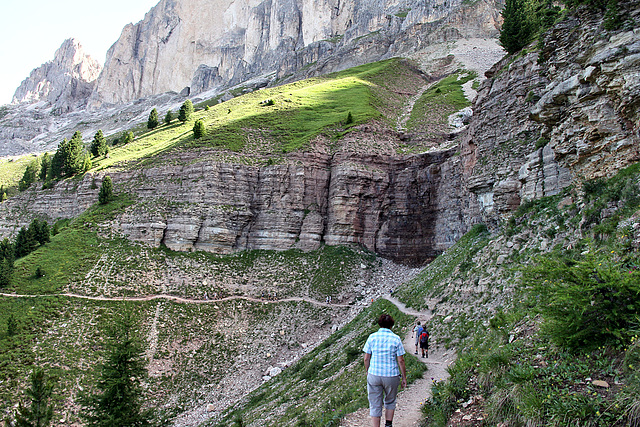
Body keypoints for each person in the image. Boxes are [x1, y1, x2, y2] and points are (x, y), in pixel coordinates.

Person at [363, 314, 407, 427]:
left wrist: (368, 371)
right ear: (391, 325)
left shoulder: (372, 337)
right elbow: (401, 360)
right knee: (390, 401)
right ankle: (388, 424)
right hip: (391, 374)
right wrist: (404, 377)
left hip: (374, 373)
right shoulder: (396, 339)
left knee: (375, 403)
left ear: (379, 324)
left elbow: (366, 358)